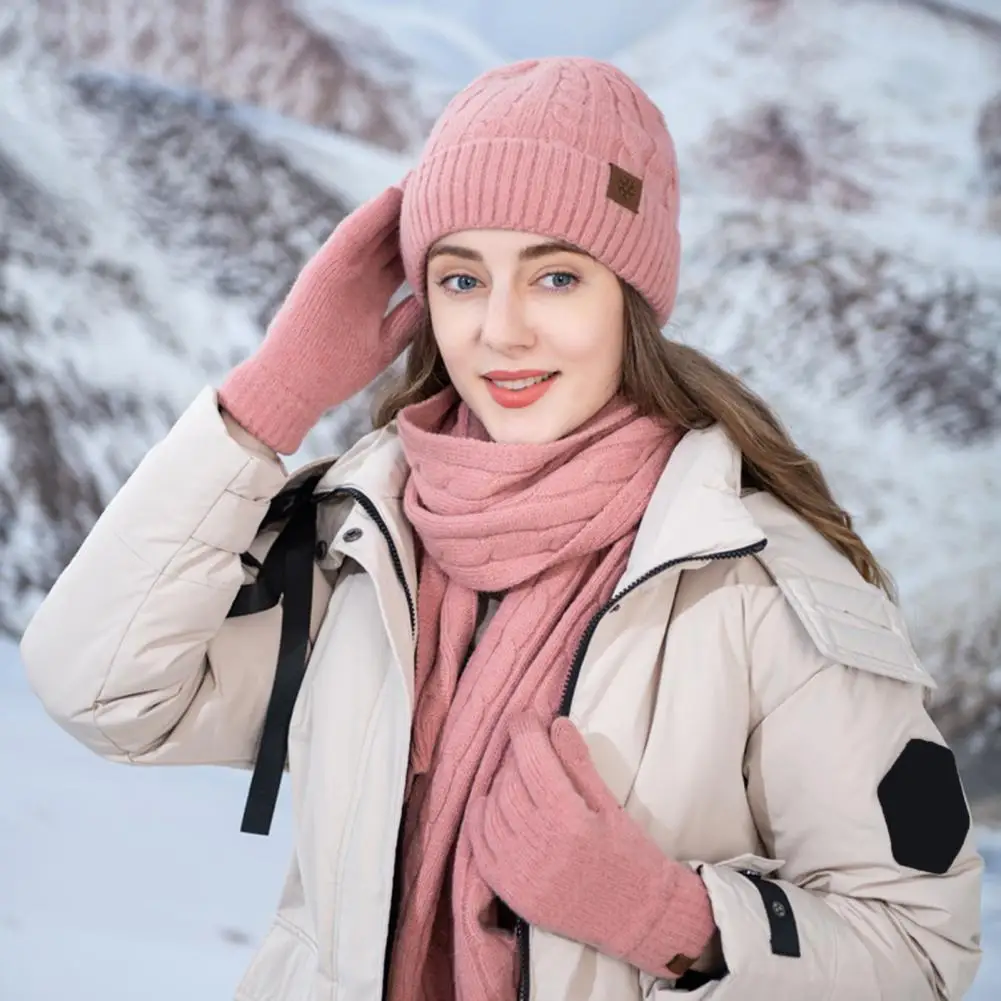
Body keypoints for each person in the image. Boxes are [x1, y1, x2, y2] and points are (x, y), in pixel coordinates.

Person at [20, 56, 983, 1001]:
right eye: (461, 280)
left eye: (556, 278)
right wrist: (274, 393)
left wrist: (669, 917)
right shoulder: (361, 545)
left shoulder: (755, 586)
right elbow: (101, 688)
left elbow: (920, 956)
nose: (502, 330)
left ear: (630, 299)